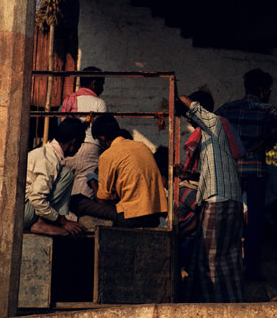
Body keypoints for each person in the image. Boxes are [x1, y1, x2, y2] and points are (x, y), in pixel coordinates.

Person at [216, 68, 277, 281]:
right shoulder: (270, 112)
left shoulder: (227, 109)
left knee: (229, 220)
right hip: (255, 171)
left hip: (231, 172)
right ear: (263, 90)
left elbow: (215, 130)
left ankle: (227, 268)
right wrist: (261, 145)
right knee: (254, 222)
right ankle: (251, 270)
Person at [176, 90, 243, 303]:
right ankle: (233, 306)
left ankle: (220, 310)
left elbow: (192, 107)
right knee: (227, 261)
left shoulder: (214, 122)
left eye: (189, 116)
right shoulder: (213, 134)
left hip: (218, 199)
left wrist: (177, 94)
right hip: (230, 200)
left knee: (210, 261)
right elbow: (209, 170)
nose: (189, 120)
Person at [91, 114, 168, 228]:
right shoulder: (142, 146)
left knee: (80, 202)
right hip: (153, 215)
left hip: (130, 217)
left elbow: (102, 198)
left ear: (102, 138)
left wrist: (93, 184)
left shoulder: (107, 155)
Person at [62, 67, 112, 220]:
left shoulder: (69, 100)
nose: (102, 89)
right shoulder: (99, 103)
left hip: (68, 148)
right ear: (94, 83)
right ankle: (75, 231)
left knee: (64, 193)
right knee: (82, 196)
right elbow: (102, 130)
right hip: (90, 149)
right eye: (101, 84)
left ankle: (64, 226)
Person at [23, 118, 87, 237]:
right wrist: (62, 221)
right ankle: (41, 223)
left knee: (64, 173)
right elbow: (36, 198)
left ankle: (47, 220)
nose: (79, 149)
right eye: (80, 144)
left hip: (22, 210)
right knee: (66, 175)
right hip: (24, 214)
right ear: (73, 142)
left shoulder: (45, 153)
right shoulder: (50, 161)